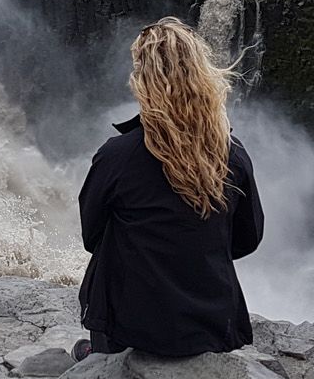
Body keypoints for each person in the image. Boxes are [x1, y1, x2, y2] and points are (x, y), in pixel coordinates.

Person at [73, 18, 264, 360]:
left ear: (142, 82)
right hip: (211, 326)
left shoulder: (116, 156)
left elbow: (92, 237)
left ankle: (100, 355)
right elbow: (247, 240)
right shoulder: (232, 155)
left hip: (131, 329)